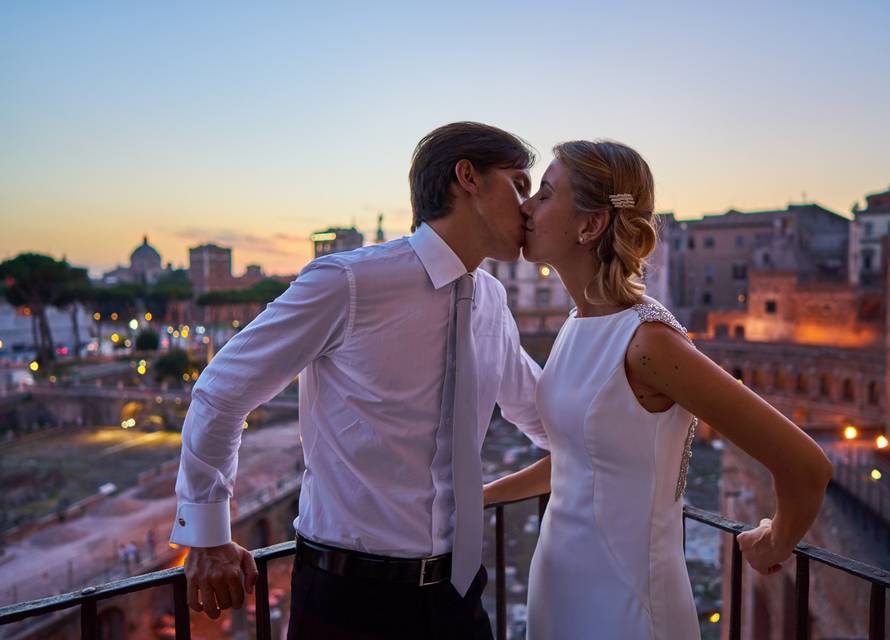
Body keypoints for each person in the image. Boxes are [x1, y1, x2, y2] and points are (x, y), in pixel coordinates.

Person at [170, 122, 550, 639]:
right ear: (469, 178)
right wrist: (210, 535)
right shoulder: (347, 282)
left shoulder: (492, 301)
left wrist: (627, 429)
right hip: (347, 599)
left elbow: (538, 408)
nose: (529, 208)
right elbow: (222, 390)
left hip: (458, 595)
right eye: (520, 185)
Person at [482, 140, 832, 640]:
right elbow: (578, 461)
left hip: (625, 600)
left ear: (590, 224)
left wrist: (775, 542)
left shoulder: (649, 342)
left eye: (544, 193)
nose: (526, 207)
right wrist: (482, 497)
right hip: (560, 583)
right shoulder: (578, 323)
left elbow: (806, 465)